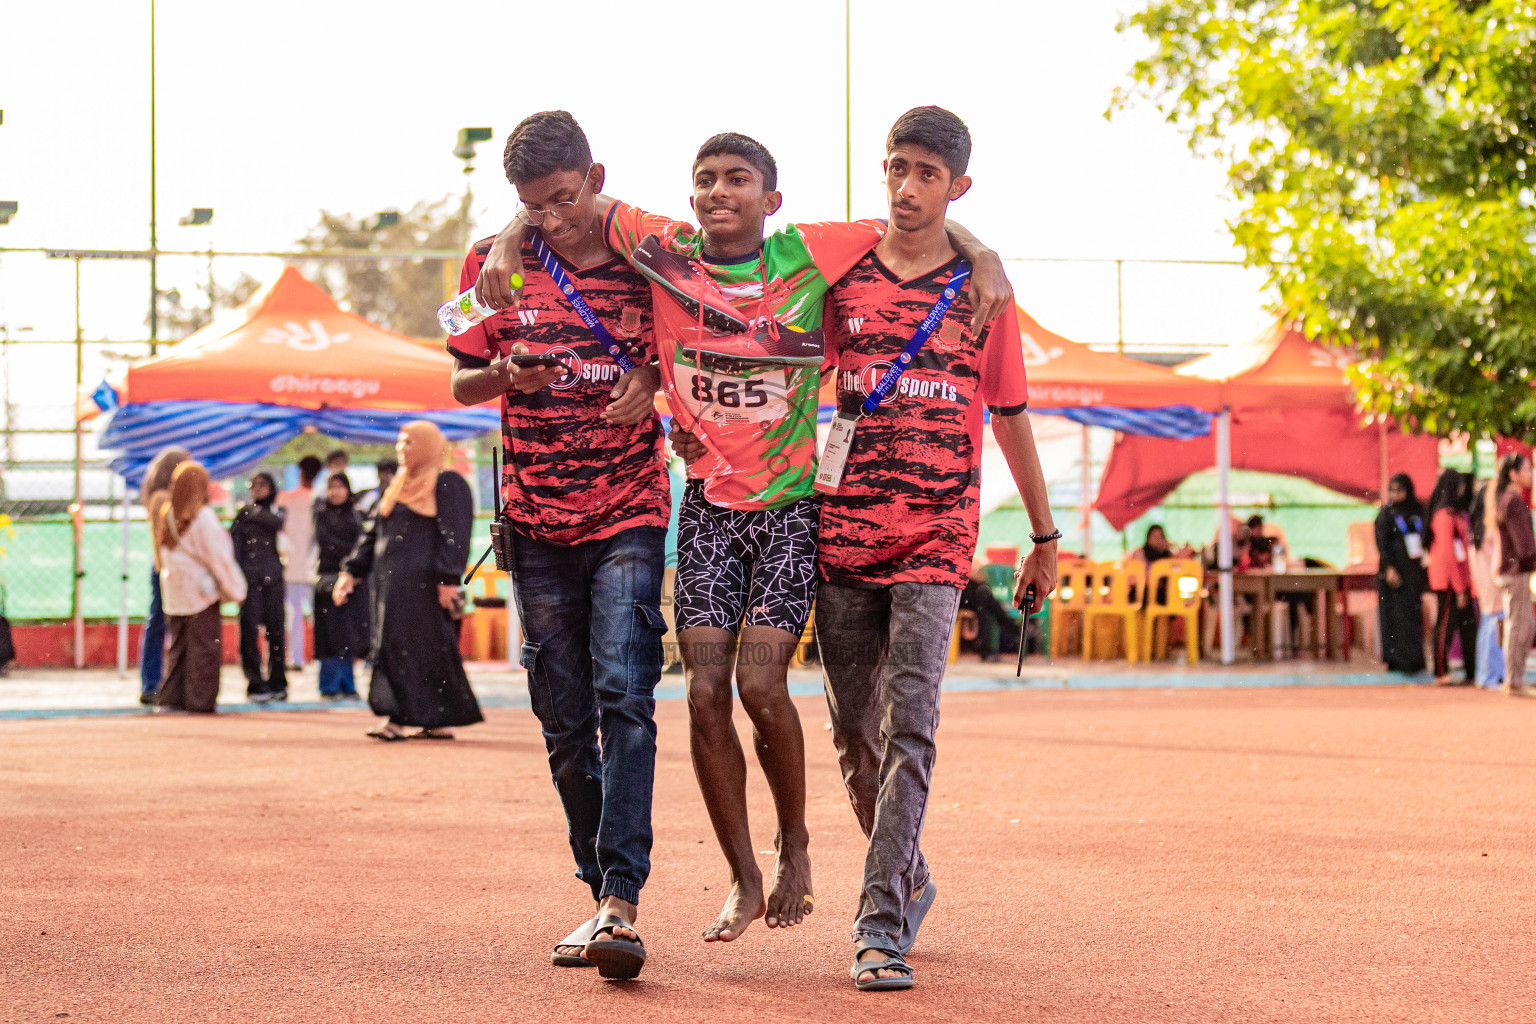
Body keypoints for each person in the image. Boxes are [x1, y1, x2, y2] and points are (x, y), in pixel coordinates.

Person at [481, 132, 1010, 950]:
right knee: (702, 695)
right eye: (706, 180)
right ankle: (743, 877)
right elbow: (565, 205)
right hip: (707, 512)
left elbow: (914, 222)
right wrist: (512, 235)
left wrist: (985, 255)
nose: (719, 191)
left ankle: (794, 846)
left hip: (790, 511)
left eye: (738, 179)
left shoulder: (809, 252)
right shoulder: (662, 248)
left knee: (762, 686)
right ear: (690, 196)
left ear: (772, 200)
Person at [813, 105, 1057, 991]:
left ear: (958, 186)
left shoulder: (985, 292)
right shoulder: (840, 271)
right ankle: (909, 875)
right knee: (853, 734)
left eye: (926, 172)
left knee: (910, 727)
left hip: (936, 538)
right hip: (842, 531)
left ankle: (878, 926)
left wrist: (1044, 537)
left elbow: (1013, 416)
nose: (906, 186)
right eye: (896, 167)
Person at [446, 111, 668, 979]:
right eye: (533, 206)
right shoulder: (488, 262)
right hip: (535, 522)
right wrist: (505, 374)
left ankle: (621, 900)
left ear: (596, 177)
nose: (552, 219)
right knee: (566, 722)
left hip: (629, 509)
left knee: (626, 694)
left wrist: (652, 377)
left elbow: (702, 348)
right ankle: (596, 890)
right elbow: (460, 380)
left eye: (564, 199)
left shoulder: (648, 256)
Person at [333, 422, 482, 738]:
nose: (401, 448)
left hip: (426, 587)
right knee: (392, 646)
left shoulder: (447, 483)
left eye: (410, 442)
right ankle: (399, 718)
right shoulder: (398, 485)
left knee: (428, 647)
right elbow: (373, 533)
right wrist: (351, 572)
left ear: (428, 446)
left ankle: (434, 718)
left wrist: (448, 579)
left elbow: (455, 534)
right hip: (390, 587)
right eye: (400, 442)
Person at [156, 461, 246, 713]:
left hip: (174, 591)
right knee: (204, 648)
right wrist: (237, 590)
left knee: (179, 648)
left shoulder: (168, 513)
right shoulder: (203, 517)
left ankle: (172, 699)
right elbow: (219, 557)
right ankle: (199, 701)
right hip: (200, 593)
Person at [138, 446, 190, 705]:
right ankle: (152, 683)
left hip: (165, 564)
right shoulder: (162, 498)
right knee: (160, 622)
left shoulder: (159, 496)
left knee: (160, 622)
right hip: (166, 566)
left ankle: (156, 681)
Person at [230, 472, 288, 702]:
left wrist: (253, 513)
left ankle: (278, 681)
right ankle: (255, 682)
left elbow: (278, 522)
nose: (258, 488)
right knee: (249, 631)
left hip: (273, 579)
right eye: (253, 485)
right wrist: (239, 578)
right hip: (250, 580)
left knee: (276, 631)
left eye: (263, 484)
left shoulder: (275, 511)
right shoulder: (243, 515)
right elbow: (235, 548)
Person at [312, 472, 366, 700]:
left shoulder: (356, 514)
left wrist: (354, 567)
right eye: (331, 487)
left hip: (351, 580)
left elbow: (363, 542)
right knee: (329, 634)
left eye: (339, 487)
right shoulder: (321, 515)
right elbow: (327, 543)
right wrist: (350, 560)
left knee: (348, 633)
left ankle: (347, 683)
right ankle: (329, 685)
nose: (335, 492)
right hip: (329, 579)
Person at [1491, 453, 1536, 695]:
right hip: (1516, 571)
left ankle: (1514, 679)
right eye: (1527, 469)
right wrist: (1531, 560)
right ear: (1513, 474)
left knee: (1521, 625)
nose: (1530, 474)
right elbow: (1524, 544)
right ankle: (1513, 680)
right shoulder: (1513, 501)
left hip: (1512, 569)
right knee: (1519, 626)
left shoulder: (1505, 500)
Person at [1426, 469, 1476, 685]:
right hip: (1447, 581)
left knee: (1467, 626)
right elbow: (1448, 554)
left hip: (1458, 580)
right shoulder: (1444, 516)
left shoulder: (1453, 513)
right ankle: (1440, 671)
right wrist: (1459, 587)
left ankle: (1471, 670)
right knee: (1445, 625)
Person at [1375, 472, 1428, 674]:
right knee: (1395, 615)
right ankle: (1396, 659)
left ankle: (1414, 659)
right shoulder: (1386, 514)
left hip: (1413, 571)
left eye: (1399, 490)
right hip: (1394, 571)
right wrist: (1389, 568)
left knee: (1413, 615)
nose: (1395, 494)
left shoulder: (1418, 511)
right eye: (1392, 490)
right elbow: (1382, 543)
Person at [277, 455, 321, 671]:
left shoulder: (286, 498)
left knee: (293, 616)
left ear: (300, 473)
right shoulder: (319, 498)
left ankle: (296, 659)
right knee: (319, 615)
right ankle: (318, 659)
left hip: (292, 564)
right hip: (315, 564)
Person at [1469, 481, 1504, 690]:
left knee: (1488, 627)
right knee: (1494, 628)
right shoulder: (1490, 526)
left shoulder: (1477, 527)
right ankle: (1491, 675)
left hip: (1483, 582)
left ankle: (1485, 674)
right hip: (1494, 581)